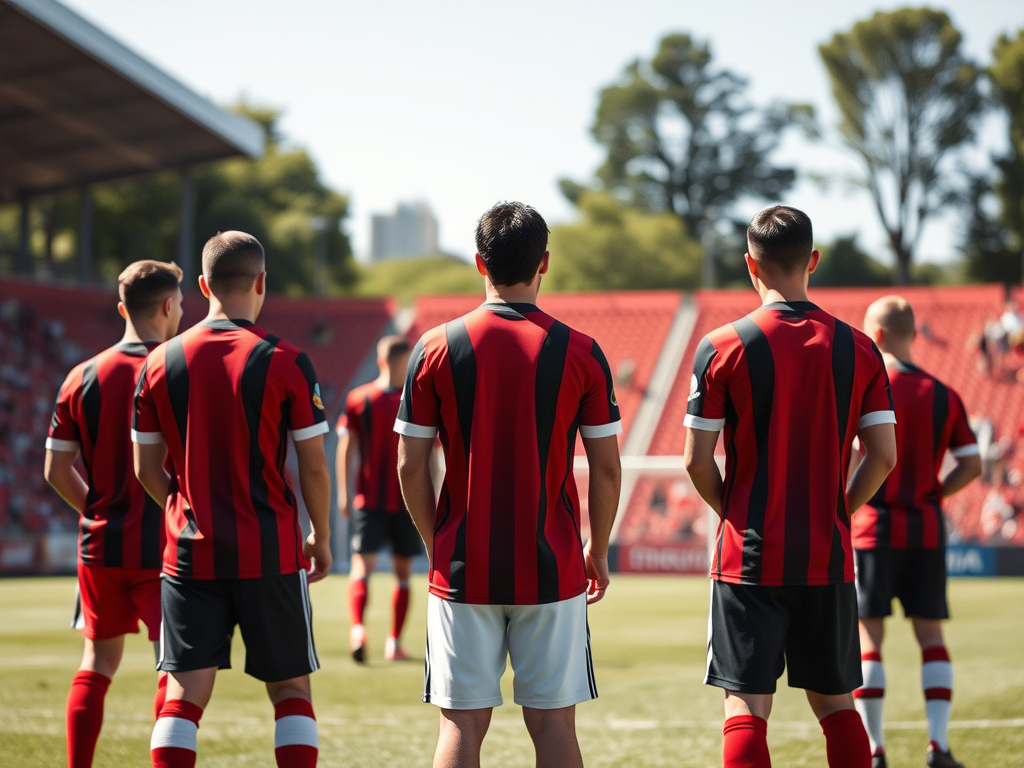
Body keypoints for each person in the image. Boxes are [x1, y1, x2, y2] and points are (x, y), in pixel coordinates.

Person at [395, 202, 622, 768]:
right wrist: (597, 546)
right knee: (553, 725)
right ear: (544, 263)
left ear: (479, 263)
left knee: (461, 724)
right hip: (553, 563)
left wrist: (436, 542)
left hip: (463, 563)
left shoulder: (434, 348)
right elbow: (608, 467)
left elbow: (409, 465)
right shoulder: (582, 351)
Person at [683, 205, 898, 768]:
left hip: (748, 556)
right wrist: (839, 510)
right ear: (814, 261)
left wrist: (732, 509)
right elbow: (883, 457)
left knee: (746, 709)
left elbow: (695, 462)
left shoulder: (721, 346)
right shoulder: (860, 348)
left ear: (749, 264)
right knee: (836, 706)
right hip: (825, 554)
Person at [132, 232, 332, 768]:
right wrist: (323, 536)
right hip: (269, 552)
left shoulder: (157, 363)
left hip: (189, 555)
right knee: (290, 692)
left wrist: (184, 506)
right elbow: (313, 463)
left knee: (181, 698)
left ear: (202, 286)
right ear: (262, 283)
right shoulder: (288, 361)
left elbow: (146, 470)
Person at [44, 260, 184, 768]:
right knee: (172, 669)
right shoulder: (176, 369)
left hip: (100, 546)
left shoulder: (80, 376)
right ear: (168, 306)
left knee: (96, 663)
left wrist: (99, 510)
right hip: (163, 549)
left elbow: (55, 470)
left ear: (122, 307)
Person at [852, 296, 983, 768]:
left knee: (870, 640)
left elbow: (851, 456)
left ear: (878, 335)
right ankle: (939, 746)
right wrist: (934, 492)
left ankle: (875, 750)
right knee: (931, 636)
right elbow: (972, 463)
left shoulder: (864, 386)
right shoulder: (944, 392)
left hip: (872, 529)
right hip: (925, 529)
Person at [336, 335, 418, 662]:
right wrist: (345, 492)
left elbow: (347, 448)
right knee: (396, 570)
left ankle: (364, 631)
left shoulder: (362, 398)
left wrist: (345, 495)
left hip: (387, 501)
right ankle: (386, 641)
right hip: (387, 501)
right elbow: (347, 448)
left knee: (367, 567)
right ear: (396, 361)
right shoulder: (403, 400)